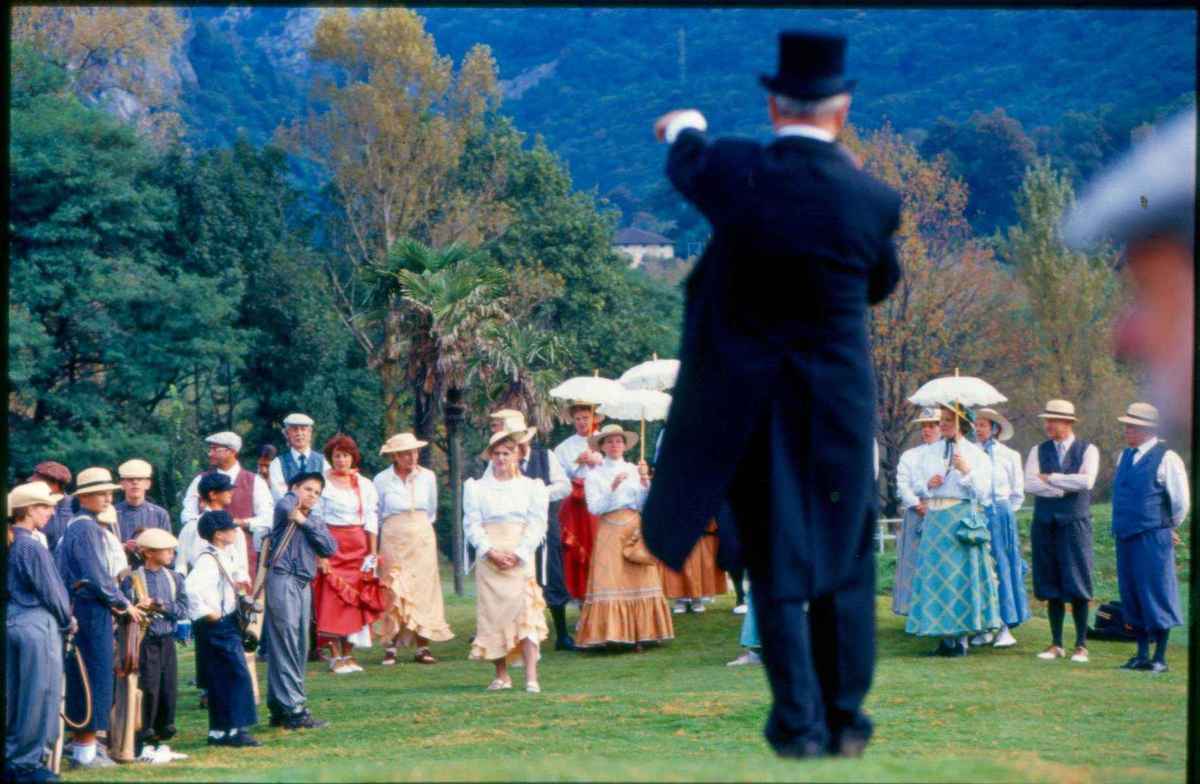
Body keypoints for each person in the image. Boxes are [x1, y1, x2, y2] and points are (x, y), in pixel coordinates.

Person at [644, 30, 901, 758]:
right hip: (839, 405)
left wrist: (686, 122)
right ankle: (846, 719)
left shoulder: (740, 173)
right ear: (841, 110)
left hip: (756, 407)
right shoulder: (871, 199)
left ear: (772, 105)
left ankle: (798, 723)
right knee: (847, 561)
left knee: (776, 566)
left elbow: (689, 158)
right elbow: (881, 282)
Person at [1062, 109, 1194, 433]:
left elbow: (1146, 203)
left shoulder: (1149, 194)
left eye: (1153, 291)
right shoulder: (1149, 192)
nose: (1126, 338)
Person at [54, 468, 145, 769]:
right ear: (84, 497)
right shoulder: (85, 529)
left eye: (109, 493)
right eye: (101, 493)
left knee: (92, 675)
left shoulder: (81, 527)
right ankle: (86, 751)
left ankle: (88, 747)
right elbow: (95, 575)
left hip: (87, 608)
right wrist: (122, 603)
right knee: (93, 675)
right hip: (88, 611)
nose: (108, 498)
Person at [904, 406, 1001, 656]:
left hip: (959, 519)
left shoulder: (976, 454)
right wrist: (927, 484)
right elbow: (917, 484)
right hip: (935, 519)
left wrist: (966, 470)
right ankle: (944, 639)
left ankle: (961, 640)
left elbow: (983, 492)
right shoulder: (930, 452)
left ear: (963, 423)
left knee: (959, 578)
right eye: (943, 420)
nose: (944, 424)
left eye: (949, 420)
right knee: (937, 579)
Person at [463, 430, 550, 692]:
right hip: (490, 557)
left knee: (526, 613)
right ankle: (501, 675)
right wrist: (488, 551)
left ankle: (531, 676)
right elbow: (472, 523)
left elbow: (537, 523)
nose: (501, 458)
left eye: (507, 453)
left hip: (520, 554)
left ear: (518, 455)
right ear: (490, 456)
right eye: (497, 453)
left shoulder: (532, 486)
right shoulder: (476, 488)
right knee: (494, 616)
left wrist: (519, 553)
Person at [575, 424, 674, 651]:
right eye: (609, 441)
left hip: (634, 528)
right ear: (602, 446)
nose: (614, 445)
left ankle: (644, 633)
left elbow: (643, 504)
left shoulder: (634, 469)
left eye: (618, 441)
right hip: (609, 530)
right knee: (610, 579)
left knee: (640, 578)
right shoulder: (594, 475)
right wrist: (613, 488)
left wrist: (645, 482)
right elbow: (594, 508)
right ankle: (612, 634)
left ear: (625, 445)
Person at [1110, 403, 1189, 673]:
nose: (1126, 430)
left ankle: (1160, 658)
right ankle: (1142, 654)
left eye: (1131, 426)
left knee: (1156, 592)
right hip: (1125, 536)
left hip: (1152, 537)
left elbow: (1181, 502)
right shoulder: (1124, 457)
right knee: (1132, 593)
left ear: (1147, 429)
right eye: (1126, 425)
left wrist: (1166, 526)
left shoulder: (1167, 458)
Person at [6, 481, 73, 783]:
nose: (51, 512)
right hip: (36, 622)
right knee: (40, 694)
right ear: (29, 510)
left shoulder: (13, 543)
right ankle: (28, 764)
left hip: (14, 620)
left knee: (16, 695)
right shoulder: (31, 546)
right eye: (45, 506)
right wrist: (68, 619)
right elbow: (52, 592)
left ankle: (14, 759)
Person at [1025, 399, 1100, 664]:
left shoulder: (1088, 450)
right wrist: (1061, 488)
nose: (1048, 425)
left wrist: (1052, 479)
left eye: (1052, 420)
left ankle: (1081, 645)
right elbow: (1029, 483)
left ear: (1067, 422)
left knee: (1078, 581)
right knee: (1050, 581)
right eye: (1047, 420)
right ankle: (1056, 643)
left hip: (1075, 524)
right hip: (1045, 523)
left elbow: (1086, 481)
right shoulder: (1038, 450)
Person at [374, 432, 454, 666]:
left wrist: (417, 528)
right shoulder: (381, 479)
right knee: (393, 587)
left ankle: (423, 646)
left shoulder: (427, 476)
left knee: (423, 590)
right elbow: (377, 512)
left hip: (421, 538)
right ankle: (390, 646)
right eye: (406, 453)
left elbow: (431, 510)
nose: (412, 457)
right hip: (393, 536)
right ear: (395, 456)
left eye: (415, 452)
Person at [264, 471, 336, 729]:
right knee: (286, 642)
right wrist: (296, 502)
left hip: (304, 583)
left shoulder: (312, 520)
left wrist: (305, 522)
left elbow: (329, 548)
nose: (312, 495)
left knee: (299, 645)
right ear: (294, 488)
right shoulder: (285, 507)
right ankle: (294, 709)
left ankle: (279, 707)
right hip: (283, 578)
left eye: (317, 492)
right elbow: (286, 506)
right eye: (307, 489)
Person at [185, 510, 260, 747]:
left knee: (220, 678)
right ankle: (237, 729)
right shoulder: (208, 561)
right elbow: (190, 589)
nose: (235, 531)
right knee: (237, 674)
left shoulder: (225, 554)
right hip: (218, 624)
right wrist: (208, 612)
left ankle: (218, 731)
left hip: (223, 623)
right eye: (230, 528)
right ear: (218, 534)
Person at [312, 434, 381, 674]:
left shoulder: (365, 484)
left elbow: (371, 518)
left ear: (353, 457)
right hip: (331, 545)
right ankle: (335, 656)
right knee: (331, 600)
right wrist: (321, 554)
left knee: (355, 601)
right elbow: (316, 520)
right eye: (337, 456)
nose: (342, 460)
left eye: (346, 455)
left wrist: (372, 553)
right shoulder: (321, 482)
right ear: (331, 458)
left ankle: (349, 654)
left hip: (357, 547)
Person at [506, 412, 575, 650]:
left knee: (552, 575)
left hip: (545, 524)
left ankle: (562, 635)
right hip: (514, 528)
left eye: (520, 440)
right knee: (516, 578)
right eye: (512, 441)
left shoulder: (546, 456)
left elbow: (564, 486)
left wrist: (538, 493)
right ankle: (516, 635)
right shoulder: (501, 461)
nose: (517, 446)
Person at [176, 472, 244, 710]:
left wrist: (241, 582)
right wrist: (184, 598)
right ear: (213, 494)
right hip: (202, 592)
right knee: (206, 643)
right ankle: (208, 690)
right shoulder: (192, 526)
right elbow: (181, 564)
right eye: (227, 489)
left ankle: (228, 689)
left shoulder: (232, 527)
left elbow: (239, 563)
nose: (231, 493)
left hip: (228, 594)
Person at [120, 529, 188, 761]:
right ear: (148, 553)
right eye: (165, 550)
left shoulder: (175, 578)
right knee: (148, 688)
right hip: (144, 641)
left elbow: (183, 609)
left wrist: (161, 606)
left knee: (168, 689)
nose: (171, 554)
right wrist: (139, 608)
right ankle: (143, 741)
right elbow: (123, 610)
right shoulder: (132, 579)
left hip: (167, 640)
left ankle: (160, 739)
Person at [971, 408, 1029, 648]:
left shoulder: (1009, 455)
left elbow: (1017, 492)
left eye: (983, 425)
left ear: (994, 429)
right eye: (976, 425)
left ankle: (1005, 626)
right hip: (976, 516)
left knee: (1003, 568)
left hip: (1001, 516)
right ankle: (985, 625)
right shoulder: (970, 453)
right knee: (980, 569)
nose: (978, 429)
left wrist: (1003, 515)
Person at [181, 432, 273, 584]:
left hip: (242, 554)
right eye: (210, 449)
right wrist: (203, 525)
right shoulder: (200, 479)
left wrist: (239, 523)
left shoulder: (255, 481)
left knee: (241, 593)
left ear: (231, 451)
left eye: (215, 449)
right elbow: (187, 514)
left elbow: (268, 518)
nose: (210, 453)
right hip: (204, 554)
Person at [551, 402, 605, 601]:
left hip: (601, 500)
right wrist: (578, 462)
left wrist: (598, 461)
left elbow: (614, 468)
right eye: (578, 418)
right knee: (577, 547)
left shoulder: (605, 440)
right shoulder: (564, 447)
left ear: (594, 418)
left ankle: (603, 597)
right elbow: (558, 476)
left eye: (586, 418)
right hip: (575, 502)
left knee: (600, 545)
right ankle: (581, 597)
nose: (582, 422)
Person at [892, 408, 941, 617]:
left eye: (931, 426)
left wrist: (932, 500)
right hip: (915, 513)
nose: (926, 430)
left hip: (940, 512)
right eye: (924, 426)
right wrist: (916, 503)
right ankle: (913, 611)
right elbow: (902, 485)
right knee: (914, 563)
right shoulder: (910, 455)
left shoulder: (948, 454)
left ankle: (938, 612)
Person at [114, 459, 172, 567]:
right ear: (122, 484)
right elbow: (103, 549)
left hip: (152, 571)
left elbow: (169, 550)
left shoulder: (160, 514)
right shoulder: (111, 514)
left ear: (148, 484)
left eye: (140, 479)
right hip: (120, 571)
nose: (135, 482)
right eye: (130, 479)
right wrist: (124, 547)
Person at [267, 413, 325, 502]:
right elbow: (279, 494)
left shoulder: (323, 461)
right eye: (295, 429)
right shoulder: (277, 463)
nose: (299, 433)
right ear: (287, 434)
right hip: (289, 509)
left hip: (318, 509)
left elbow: (326, 492)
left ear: (310, 433)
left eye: (303, 429)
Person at [26, 461, 73, 552]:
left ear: (55, 483)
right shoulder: (31, 506)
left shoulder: (76, 505)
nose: (32, 486)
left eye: (37, 483)